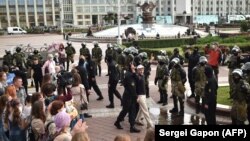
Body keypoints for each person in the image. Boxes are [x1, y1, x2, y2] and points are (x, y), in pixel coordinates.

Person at [114, 63, 140, 133]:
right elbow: (132, 87)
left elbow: (137, 80)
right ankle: (117, 122)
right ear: (130, 67)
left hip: (131, 96)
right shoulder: (128, 75)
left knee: (132, 111)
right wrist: (136, 96)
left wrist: (134, 72)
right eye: (133, 66)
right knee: (125, 111)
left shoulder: (132, 74)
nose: (134, 67)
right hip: (128, 97)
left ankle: (132, 127)